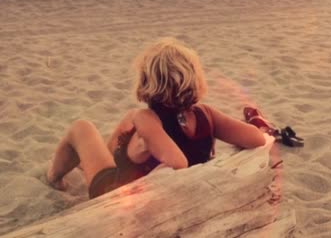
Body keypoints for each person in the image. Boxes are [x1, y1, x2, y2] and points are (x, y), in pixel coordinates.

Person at [46, 37, 270, 199]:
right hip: (161, 190)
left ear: (146, 81)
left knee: (82, 127)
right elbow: (257, 139)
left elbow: (178, 163)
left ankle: (54, 177)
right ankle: (92, 161)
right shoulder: (206, 114)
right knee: (127, 127)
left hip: (115, 196)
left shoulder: (146, 118)